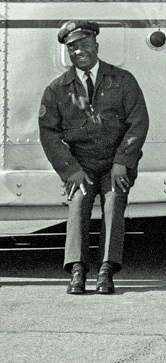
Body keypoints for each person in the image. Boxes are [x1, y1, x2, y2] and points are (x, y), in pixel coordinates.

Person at [39, 21, 149, 295]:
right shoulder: (57, 89)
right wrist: (70, 170)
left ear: (96, 46)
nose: (79, 52)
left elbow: (138, 123)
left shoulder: (123, 80)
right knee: (77, 205)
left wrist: (123, 161)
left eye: (85, 45)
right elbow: (49, 134)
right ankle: (77, 271)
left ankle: (106, 271)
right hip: (81, 165)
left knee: (113, 205)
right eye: (72, 48)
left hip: (115, 164)